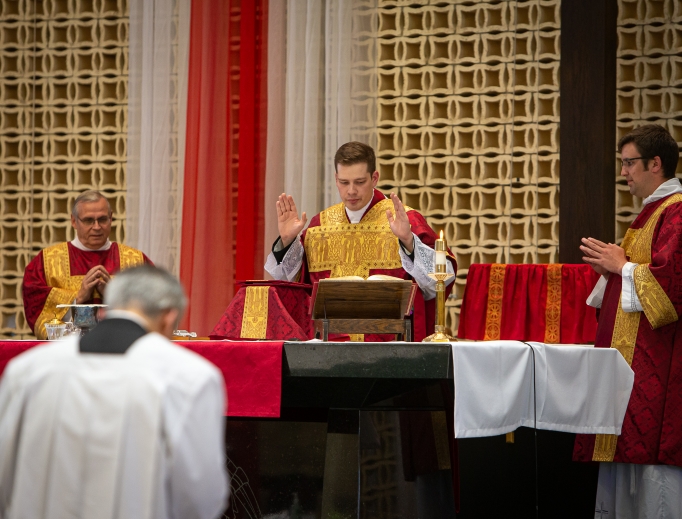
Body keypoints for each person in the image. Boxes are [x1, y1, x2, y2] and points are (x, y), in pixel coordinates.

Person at [0, 265, 229, 519]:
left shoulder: (28, 370)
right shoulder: (190, 377)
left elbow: (4, 472)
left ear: (107, 308)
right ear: (169, 317)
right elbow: (199, 494)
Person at [574, 124, 682, 518]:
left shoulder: (677, 212)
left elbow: (670, 293)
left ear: (656, 164)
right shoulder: (650, 213)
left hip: (661, 367)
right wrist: (614, 271)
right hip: (634, 365)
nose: (624, 173)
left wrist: (623, 267)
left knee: (654, 475)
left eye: (629, 163)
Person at [265, 141, 457, 341]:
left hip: (390, 350)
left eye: (359, 182)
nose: (351, 191)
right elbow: (292, 285)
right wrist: (287, 242)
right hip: (328, 350)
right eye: (344, 182)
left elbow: (442, 280)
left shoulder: (404, 220)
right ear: (336, 179)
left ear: (374, 178)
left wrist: (408, 241)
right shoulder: (319, 226)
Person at [22, 190, 151, 339]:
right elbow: (36, 309)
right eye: (89, 220)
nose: (96, 227)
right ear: (74, 221)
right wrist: (78, 297)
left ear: (111, 218)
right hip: (69, 354)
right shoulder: (46, 262)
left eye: (102, 219)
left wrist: (114, 296)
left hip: (122, 351)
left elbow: (155, 307)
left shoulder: (136, 261)